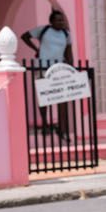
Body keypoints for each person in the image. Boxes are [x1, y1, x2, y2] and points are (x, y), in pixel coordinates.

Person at [23, 9, 75, 137]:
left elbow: (69, 52)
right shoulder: (43, 30)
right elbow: (25, 36)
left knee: (62, 97)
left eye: (62, 20)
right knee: (44, 96)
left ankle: (62, 129)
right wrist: (36, 49)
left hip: (59, 69)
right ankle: (45, 124)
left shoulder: (66, 34)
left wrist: (72, 68)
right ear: (51, 21)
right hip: (43, 67)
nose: (61, 22)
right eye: (58, 20)